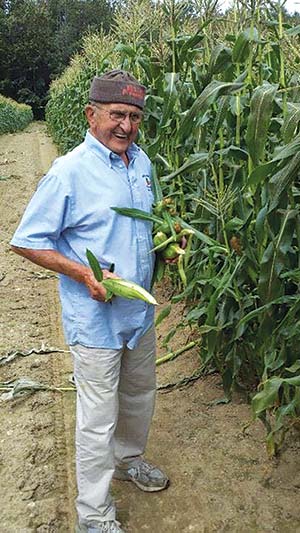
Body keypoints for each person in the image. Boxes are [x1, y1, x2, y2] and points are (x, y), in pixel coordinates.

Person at [10, 70, 169, 533]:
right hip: (95, 319)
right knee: (97, 420)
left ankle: (130, 460)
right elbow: (27, 240)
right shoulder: (69, 171)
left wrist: (168, 246)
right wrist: (84, 273)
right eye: (117, 114)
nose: (126, 126)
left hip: (138, 314)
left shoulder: (142, 163)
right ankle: (95, 517)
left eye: (135, 117)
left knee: (139, 395)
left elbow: (146, 224)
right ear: (91, 114)